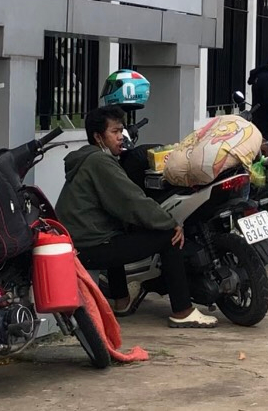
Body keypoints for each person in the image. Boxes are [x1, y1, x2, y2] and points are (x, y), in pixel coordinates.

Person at [55, 106, 218, 328]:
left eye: (121, 130)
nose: (120, 136)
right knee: (169, 237)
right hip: (89, 248)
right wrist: (170, 222)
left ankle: (121, 301)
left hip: (80, 244)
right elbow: (131, 201)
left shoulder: (87, 159)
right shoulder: (99, 162)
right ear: (98, 136)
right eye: (115, 131)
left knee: (118, 231)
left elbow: (120, 206)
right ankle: (182, 310)